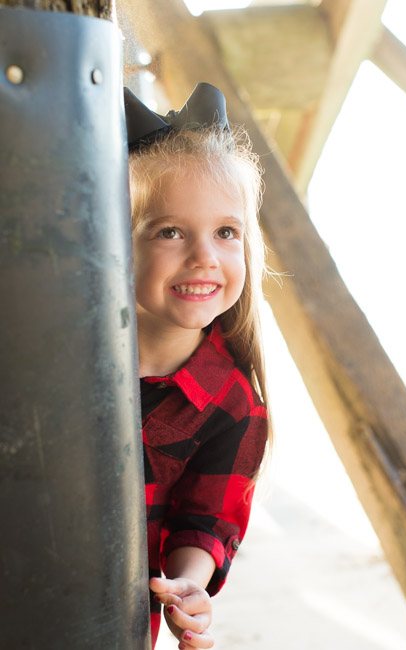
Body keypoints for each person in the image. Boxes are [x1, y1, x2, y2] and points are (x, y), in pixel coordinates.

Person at [124, 82, 271, 650]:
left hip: (106, 618)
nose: (205, 256)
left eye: (225, 232)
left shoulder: (232, 404)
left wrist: (189, 584)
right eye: (170, 231)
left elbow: (205, 522)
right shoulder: (52, 353)